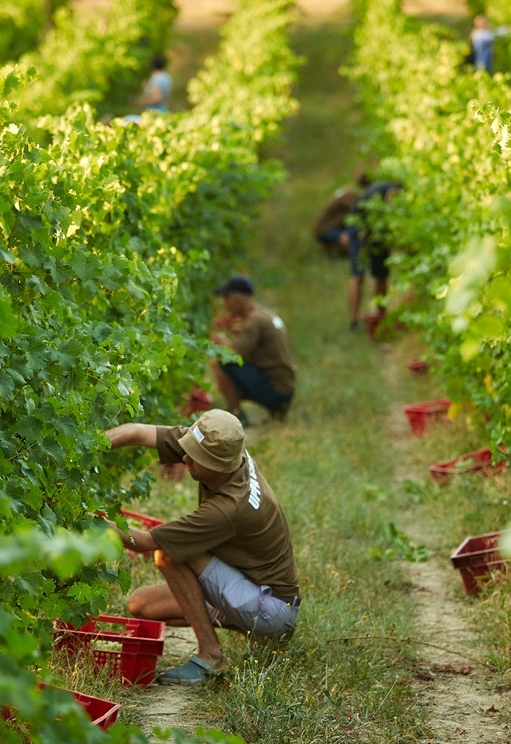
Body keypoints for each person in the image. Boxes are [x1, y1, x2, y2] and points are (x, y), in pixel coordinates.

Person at [102, 409, 301, 684]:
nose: (184, 459)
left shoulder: (229, 507)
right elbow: (137, 431)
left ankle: (212, 657)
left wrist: (96, 523)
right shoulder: (221, 449)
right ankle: (253, 632)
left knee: (167, 553)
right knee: (142, 605)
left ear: (218, 466)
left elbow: (145, 543)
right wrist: (91, 447)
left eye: (195, 458)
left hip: (274, 608)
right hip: (247, 585)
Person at [209, 274, 296, 424]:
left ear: (237, 301)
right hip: (286, 387)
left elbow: (232, 353)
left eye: (227, 299)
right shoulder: (264, 314)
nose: (225, 304)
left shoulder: (254, 322)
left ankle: (237, 414)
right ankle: (277, 410)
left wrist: (219, 339)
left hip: (276, 391)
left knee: (220, 362)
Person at [345, 179, 403, 332]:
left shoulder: (398, 198)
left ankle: (381, 317)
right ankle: (353, 321)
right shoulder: (374, 197)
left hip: (378, 232)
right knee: (358, 274)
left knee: (381, 274)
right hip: (360, 228)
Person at [313, 178, 363, 258]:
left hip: (330, 227)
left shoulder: (346, 192)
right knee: (351, 238)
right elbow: (357, 210)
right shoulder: (350, 196)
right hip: (326, 230)